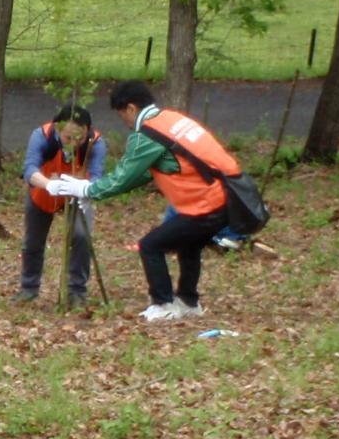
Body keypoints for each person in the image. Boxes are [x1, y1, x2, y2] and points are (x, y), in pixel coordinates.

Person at [47, 80, 237, 323]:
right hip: (223, 197)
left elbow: (123, 178)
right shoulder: (171, 119)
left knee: (150, 245)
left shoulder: (147, 134)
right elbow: (147, 171)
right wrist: (91, 191)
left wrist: (87, 189)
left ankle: (163, 303)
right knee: (189, 245)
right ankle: (189, 301)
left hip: (204, 204)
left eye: (122, 115)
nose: (124, 122)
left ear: (131, 109)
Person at [15, 105, 106, 306]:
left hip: (79, 196)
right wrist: (50, 184)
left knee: (82, 236)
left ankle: (77, 292)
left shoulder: (95, 143)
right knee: (33, 241)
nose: (73, 144)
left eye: (79, 139)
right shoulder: (42, 136)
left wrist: (85, 189)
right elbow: (29, 169)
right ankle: (29, 288)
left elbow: (98, 177)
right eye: (67, 138)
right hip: (44, 191)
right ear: (57, 128)